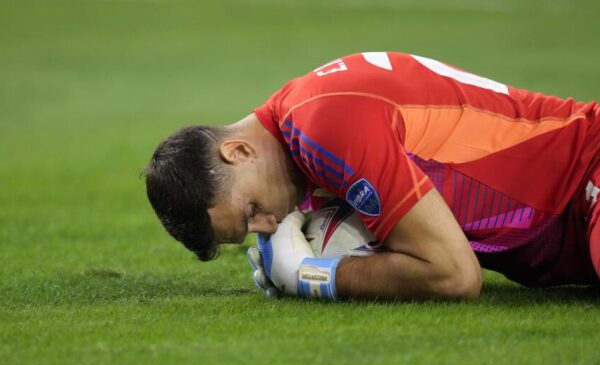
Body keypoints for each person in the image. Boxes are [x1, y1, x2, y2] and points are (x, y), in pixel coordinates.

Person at [144, 51, 600, 301]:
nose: (268, 228)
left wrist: (311, 277)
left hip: (588, 177)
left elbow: (454, 276)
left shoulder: (325, 126)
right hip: (571, 214)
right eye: (251, 232)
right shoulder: (300, 135)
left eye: (252, 212)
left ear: (239, 151)